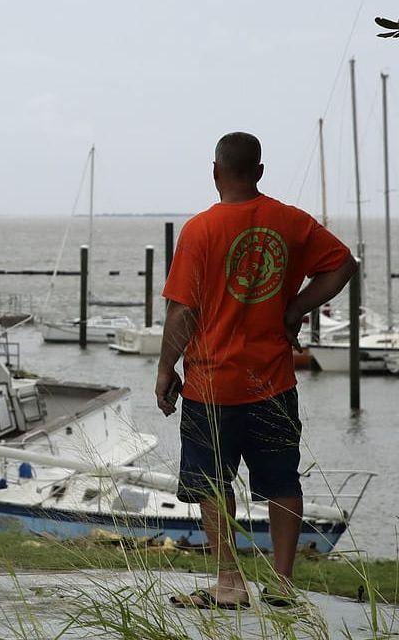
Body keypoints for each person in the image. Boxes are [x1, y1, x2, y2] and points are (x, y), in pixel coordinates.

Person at [156, 132, 357, 610]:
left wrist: (166, 367)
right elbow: (343, 265)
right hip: (273, 383)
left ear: (215, 172)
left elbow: (182, 312)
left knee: (211, 483)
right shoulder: (290, 222)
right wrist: (294, 308)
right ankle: (282, 586)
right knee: (282, 482)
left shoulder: (200, 230)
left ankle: (229, 582)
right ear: (260, 172)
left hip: (211, 386)